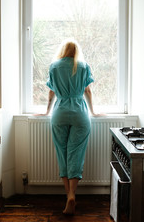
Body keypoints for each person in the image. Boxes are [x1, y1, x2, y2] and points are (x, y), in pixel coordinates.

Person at [37, 38, 100, 215]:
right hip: (80, 112)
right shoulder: (83, 65)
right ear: (77, 51)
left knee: (62, 152)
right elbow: (88, 91)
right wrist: (93, 111)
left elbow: (51, 92)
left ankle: (68, 196)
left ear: (63, 50)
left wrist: (46, 111)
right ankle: (73, 194)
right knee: (76, 153)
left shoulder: (54, 66)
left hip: (60, 112)